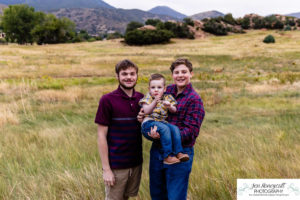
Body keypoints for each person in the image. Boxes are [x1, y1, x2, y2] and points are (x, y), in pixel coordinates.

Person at [139, 58, 205, 200]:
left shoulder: (194, 99)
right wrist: (142, 116)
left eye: (184, 72)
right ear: (172, 75)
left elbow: (191, 132)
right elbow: (148, 108)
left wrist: (165, 135)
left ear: (191, 74)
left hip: (181, 151)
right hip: (158, 151)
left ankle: (174, 155)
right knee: (157, 194)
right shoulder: (164, 90)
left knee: (175, 196)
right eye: (176, 72)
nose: (180, 75)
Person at [95, 59, 144, 200]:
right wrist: (106, 170)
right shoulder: (107, 100)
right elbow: (101, 135)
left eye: (132, 73)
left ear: (136, 76)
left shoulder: (141, 99)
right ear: (117, 76)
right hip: (116, 166)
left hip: (136, 163)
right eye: (124, 74)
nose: (129, 77)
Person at [139, 73, 190, 165]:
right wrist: (154, 101)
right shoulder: (148, 97)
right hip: (148, 123)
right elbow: (146, 111)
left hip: (162, 123)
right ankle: (167, 156)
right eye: (153, 87)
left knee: (174, 129)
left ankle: (178, 152)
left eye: (159, 87)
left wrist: (169, 106)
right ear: (149, 89)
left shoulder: (168, 97)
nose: (156, 90)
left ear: (164, 89)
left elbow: (174, 110)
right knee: (165, 128)